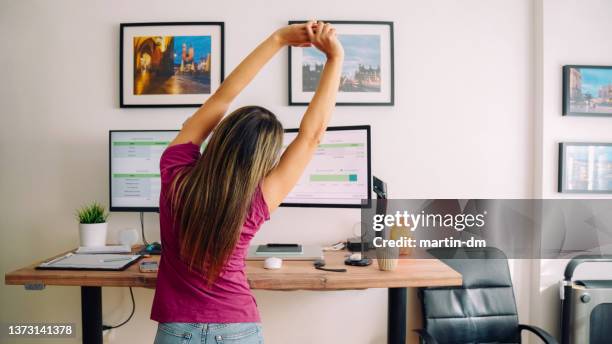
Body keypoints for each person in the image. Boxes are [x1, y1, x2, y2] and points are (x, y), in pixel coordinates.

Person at [151, 21, 344, 344]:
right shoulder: (259, 198)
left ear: (221, 135)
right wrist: (335, 59)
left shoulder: (175, 172)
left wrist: (278, 39)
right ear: (264, 160)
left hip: (176, 328)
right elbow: (311, 136)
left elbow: (222, 98)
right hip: (236, 328)